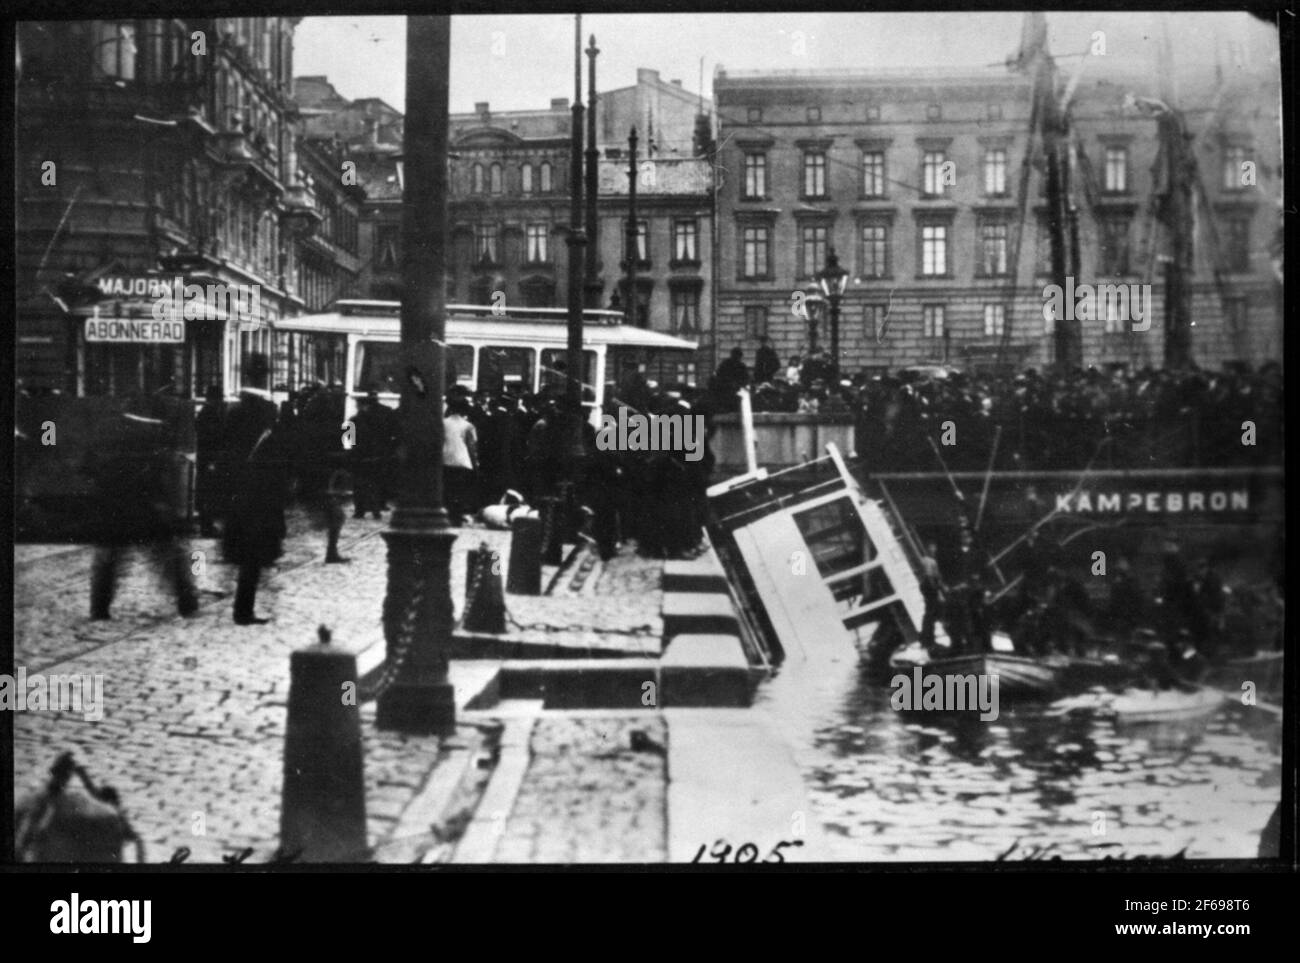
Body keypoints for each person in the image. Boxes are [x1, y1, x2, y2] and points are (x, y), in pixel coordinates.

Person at [86, 398, 198, 621]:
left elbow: (91, 467)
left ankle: (99, 607)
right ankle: (187, 602)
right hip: (146, 508)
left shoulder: (111, 437)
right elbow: (160, 472)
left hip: (117, 509)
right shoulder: (150, 439)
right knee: (171, 555)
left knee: (108, 560)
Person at [221, 356, 289, 625]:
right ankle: (243, 610)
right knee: (255, 554)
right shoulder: (268, 412)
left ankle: (241, 605)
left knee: (244, 552)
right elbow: (278, 454)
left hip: (238, 491)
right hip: (261, 494)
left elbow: (225, 452)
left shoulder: (233, 411)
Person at [352, 389, 398, 519]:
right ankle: (376, 510)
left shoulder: (351, 421)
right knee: (375, 483)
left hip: (358, 457)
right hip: (375, 456)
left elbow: (347, 441)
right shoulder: (378, 421)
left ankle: (359, 511)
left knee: (359, 484)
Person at [194, 384, 227, 537]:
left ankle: (207, 524)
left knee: (207, 492)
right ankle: (206, 526)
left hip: (206, 457)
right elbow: (214, 435)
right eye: (220, 398)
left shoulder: (206, 412)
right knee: (208, 492)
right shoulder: (210, 413)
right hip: (209, 458)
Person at [443, 398, 478, 525]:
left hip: (445, 460)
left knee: (447, 490)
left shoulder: (443, 423)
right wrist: (475, 464)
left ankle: (447, 515)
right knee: (459, 492)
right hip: (462, 461)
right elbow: (472, 447)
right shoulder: (468, 426)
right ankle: (456, 517)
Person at [918, 541, 944, 649]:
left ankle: (928, 639)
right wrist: (936, 590)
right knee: (931, 614)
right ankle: (928, 640)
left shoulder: (924, 560)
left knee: (929, 613)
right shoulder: (930, 561)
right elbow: (930, 576)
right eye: (932, 549)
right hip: (930, 588)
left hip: (926, 588)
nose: (934, 551)